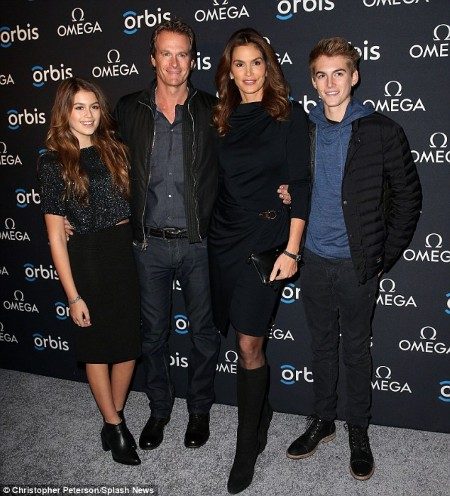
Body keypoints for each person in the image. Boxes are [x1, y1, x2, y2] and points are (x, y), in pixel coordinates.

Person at [286, 37, 422, 480]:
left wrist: (383, 256)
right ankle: (323, 419)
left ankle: (358, 430)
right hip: (313, 259)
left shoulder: (381, 130)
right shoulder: (303, 129)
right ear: (313, 81)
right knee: (322, 345)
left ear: (355, 76)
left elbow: (408, 198)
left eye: (339, 73)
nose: (330, 83)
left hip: (357, 265)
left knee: (357, 351)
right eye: (322, 75)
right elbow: (296, 186)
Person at [209, 28, 310, 494]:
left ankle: (246, 445)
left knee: (250, 343)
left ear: (268, 67)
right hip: (224, 239)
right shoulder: (221, 119)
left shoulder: (289, 116)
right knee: (236, 335)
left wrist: (292, 249)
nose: (249, 73)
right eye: (240, 64)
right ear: (229, 72)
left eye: (256, 62)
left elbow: (301, 185)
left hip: (266, 240)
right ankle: (261, 412)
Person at [113, 19, 221, 451]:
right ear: (152, 59)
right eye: (166, 53)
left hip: (199, 243)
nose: (174, 62)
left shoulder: (213, 110)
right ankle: (159, 409)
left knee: (203, 333)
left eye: (182, 54)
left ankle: (199, 410)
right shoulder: (129, 109)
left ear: (192, 60)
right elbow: (104, 168)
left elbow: (239, 167)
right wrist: (70, 212)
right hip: (149, 244)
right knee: (153, 334)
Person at [37, 77, 141, 466]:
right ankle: (115, 425)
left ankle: (113, 416)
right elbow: (55, 236)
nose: (88, 115)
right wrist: (73, 296)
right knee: (97, 346)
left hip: (123, 253)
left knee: (128, 345)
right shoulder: (53, 161)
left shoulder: (116, 149)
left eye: (94, 106)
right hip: (88, 258)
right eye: (79, 107)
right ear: (64, 111)